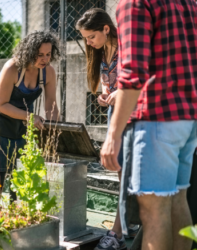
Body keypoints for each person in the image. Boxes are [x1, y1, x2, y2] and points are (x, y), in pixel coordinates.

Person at [101, 0, 197, 250]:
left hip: (156, 118)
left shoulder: (134, 3)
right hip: (188, 118)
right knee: (179, 201)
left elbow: (132, 74)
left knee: (155, 214)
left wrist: (113, 135)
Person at [0, 31, 60, 197]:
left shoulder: (49, 72)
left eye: (48, 54)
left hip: (25, 113)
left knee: (22, 160)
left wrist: (54, 130)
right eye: (40, 55)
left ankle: (17, 209)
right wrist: (30, 117)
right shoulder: (12, 68)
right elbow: (1, 104)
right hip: (0, 112)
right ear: (29, 52)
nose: (45, 59)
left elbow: (51, 105)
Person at [76, 8, 128, 250]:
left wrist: (120, 93)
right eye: (85, 38)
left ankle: (117, 232)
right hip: (113, 112)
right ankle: (121, 229)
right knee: (120, 172)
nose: (88, 42)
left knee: (127, 171)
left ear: (106, 29)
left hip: (133, 112)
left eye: (91, 37)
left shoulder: (127, 48)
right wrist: (105, 95)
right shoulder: (102, 53)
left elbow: (134, 82)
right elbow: (111, 86)